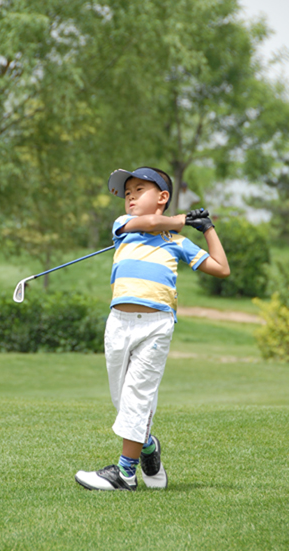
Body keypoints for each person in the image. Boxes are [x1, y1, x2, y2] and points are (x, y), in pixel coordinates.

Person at [75, 167, 230, 491]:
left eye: (139, 190)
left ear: (162, 197)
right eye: (127, 192)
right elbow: (149, 223)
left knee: (137, 398)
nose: (130, 197)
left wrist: (206, 228)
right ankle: (148, 448)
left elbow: (221, 269)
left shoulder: (178, 242)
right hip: (118, 325)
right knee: (124, 401)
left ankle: (124, 474)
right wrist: (183, 217)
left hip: (156, 327)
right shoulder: (123, 227)